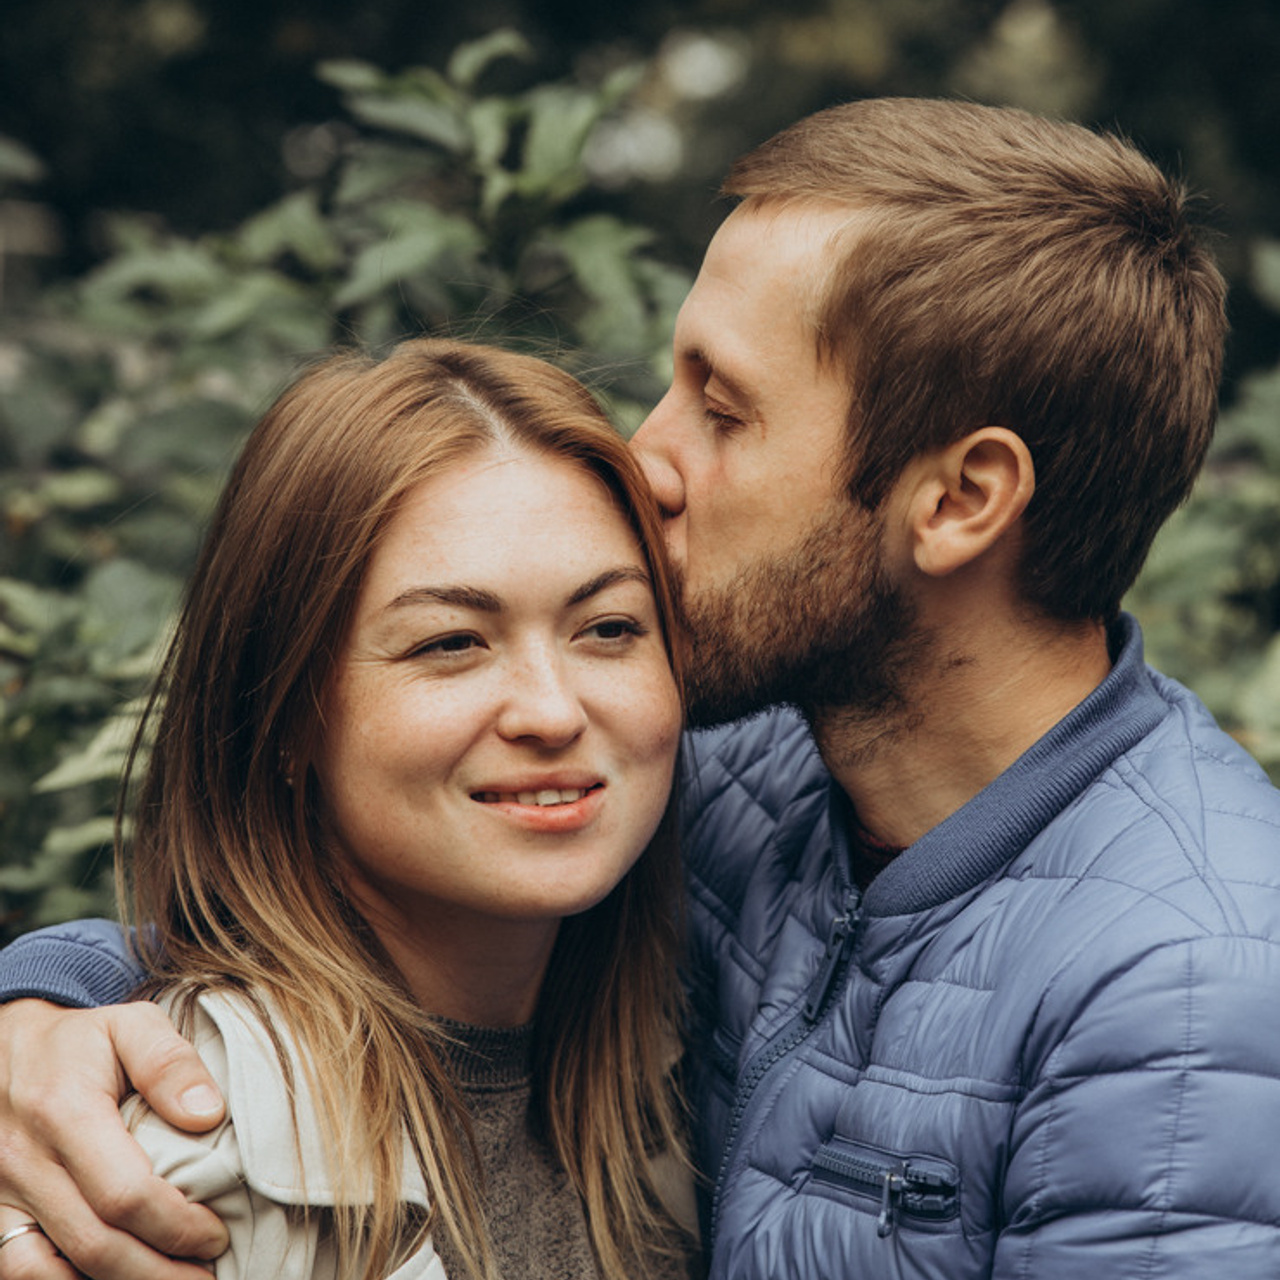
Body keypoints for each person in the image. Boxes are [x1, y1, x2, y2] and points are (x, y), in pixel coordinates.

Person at [2, 96, 1279, 1279]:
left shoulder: (1184, 995)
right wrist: (52, 1002)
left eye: (721, 409)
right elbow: (355, 887)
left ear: (955, 500)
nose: (644, 455)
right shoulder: (755, 766)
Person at [0, 338, 700, 1280]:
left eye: (608, 628)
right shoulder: (161, 1170)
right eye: (452, 642)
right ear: (286, 715)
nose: (552, 710)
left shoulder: (692, 1078)